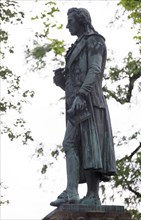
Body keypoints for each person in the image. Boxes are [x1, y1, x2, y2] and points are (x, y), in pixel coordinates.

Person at [50, 7, 116, 207]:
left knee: (89, 147)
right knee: (71, 144)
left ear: (82, 21)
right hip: (76, 105)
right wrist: (62, 81)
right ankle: (72, 191)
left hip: (89, 101)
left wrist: (81, 94)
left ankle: (93, 195)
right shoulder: (76, 46)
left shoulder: (95, 41)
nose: (67, 25)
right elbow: (76, 77)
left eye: (70, 20)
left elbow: (95, 70)